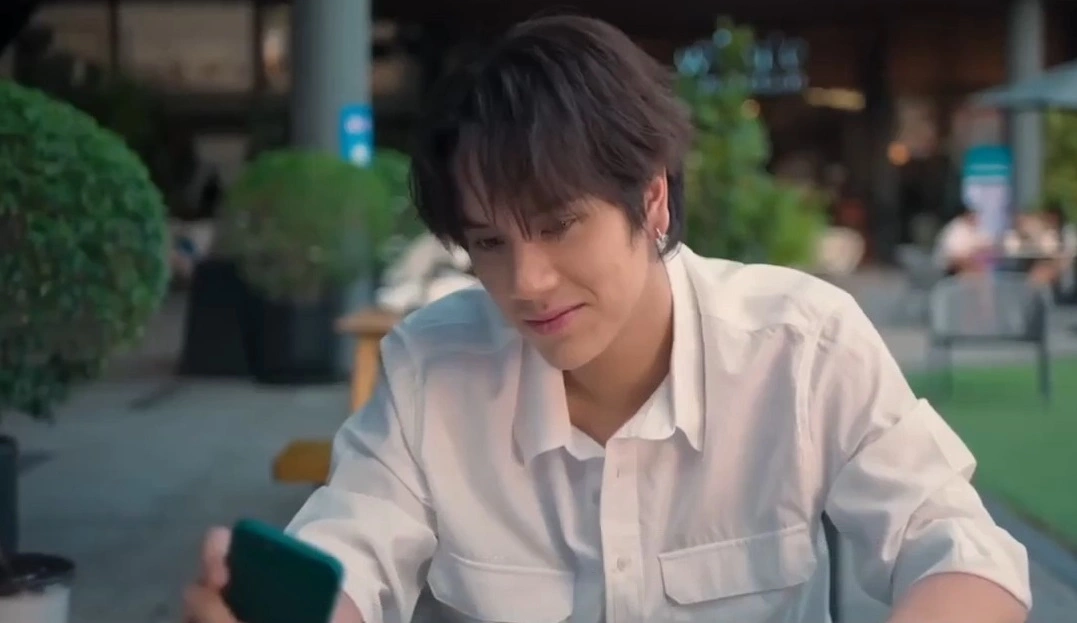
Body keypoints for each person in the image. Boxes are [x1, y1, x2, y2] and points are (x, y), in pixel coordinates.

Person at [185, 15, 1031, 623]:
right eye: (488, 242)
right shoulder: (431, 371)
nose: (526, 281)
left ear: (651, 198)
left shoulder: (801, 345)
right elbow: (351, 551)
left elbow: (958, 545)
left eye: (558, 224)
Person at [933, 205, 993, 276]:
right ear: (966, 214)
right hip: (950, 270)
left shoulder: (975, 228)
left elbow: (987, 243)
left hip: (967, 267)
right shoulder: (956, 228)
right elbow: (956, 255)